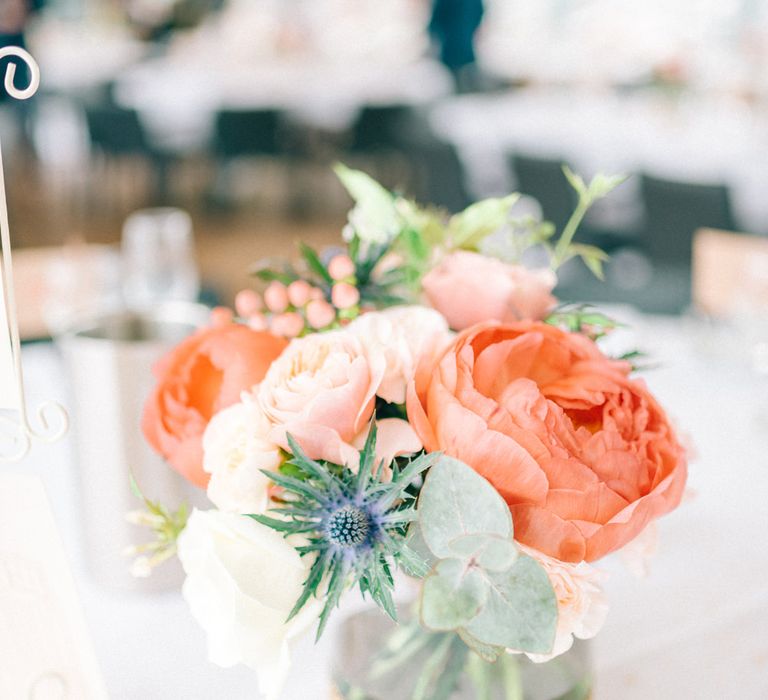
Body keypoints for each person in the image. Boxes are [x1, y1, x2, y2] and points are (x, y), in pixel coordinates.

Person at [428, 0, 485, 92]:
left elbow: (436, 19)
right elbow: (479, 13)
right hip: (460, 44)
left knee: (456, 72)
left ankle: (461, 90)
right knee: (463, 71)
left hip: (453, 45)